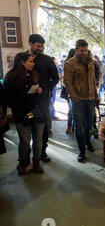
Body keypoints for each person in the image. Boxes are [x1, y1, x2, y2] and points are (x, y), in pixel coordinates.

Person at [4, 53, 47, 175]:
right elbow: (7, 99)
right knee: (24, 141)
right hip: (20, 114)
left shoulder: (35, 74)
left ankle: (36, 162)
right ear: (22, 62)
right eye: (30, 61)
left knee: (38, 140)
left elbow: (43, 90)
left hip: (37, 112)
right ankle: (22, 163)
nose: (33, 64)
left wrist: (40, 91)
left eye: (33, 61)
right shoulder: (11, 77)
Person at [64, 39, 98, 162]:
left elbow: (93, 81)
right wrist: (74, 98)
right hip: (77, 100)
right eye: (81, 50)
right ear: (76, 49)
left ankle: (88, 142)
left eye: (86, 50)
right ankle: (81, 150)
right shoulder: (69, 64)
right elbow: (67, 83)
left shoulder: (90, 63)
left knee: (88, 125)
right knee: (78, 127)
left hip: (90, 99)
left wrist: (96, 96)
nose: (84, 53)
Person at [27, 34, 59, 163]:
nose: (40, 49)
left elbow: (56, 78)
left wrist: (47, 89)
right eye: (38, 46)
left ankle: (42, 152)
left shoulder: (47, 60)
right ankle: (27, 153)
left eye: (42, 46)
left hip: (43, 100)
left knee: (44, 127)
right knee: (28, 125)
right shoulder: (22, 58)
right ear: (30, 43)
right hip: (26, 101)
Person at [63, 48, 75, 134]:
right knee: (72, 109)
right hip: (70, 90)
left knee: (71, 109)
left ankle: (70, 127)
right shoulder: (69, 64)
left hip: (68, 90)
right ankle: (70, 126)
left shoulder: (66, 63)